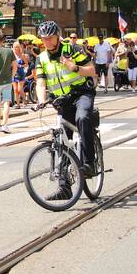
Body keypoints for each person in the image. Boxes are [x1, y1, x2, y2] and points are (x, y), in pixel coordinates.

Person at [36, 20, 99, 197]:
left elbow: (92, 70)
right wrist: (41, 100)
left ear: (57, 36)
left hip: (81, 94)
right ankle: (64, 189)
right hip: (62, 100)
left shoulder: (73, 49)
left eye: (50, 38)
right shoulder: (41, 58)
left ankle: (89, 163)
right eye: (44, 39)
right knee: (61, 141)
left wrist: (74, 67)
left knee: (82, 118)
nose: (47, 42)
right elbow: (40, 82)